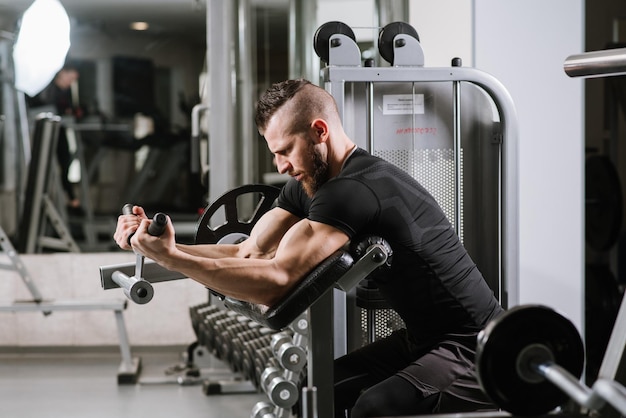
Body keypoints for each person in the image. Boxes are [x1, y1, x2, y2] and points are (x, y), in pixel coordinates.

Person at [114, 79, 504, 417]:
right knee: (315, 395)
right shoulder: (310, 184)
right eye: (274, 154)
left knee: (376, 408)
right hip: (423, 339)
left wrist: (173, 257)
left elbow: (277, 280)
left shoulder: (354, 191)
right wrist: (161, 245)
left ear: (320, 131)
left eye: (286, 150)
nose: (281, 165)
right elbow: (247, 252)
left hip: (477, 346)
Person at [28, 65, 83, 213]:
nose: (70, 82)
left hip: (57, 132)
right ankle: (69, 198)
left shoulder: (64, 93)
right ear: (62, 72)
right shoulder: (44, 89)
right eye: (70, 78)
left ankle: (71, 197)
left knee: (67, 159)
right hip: (43, 133)